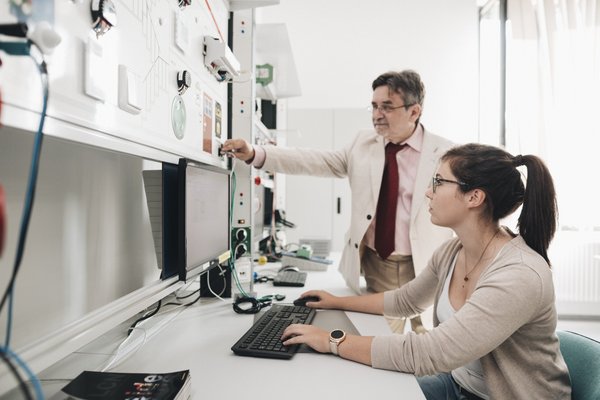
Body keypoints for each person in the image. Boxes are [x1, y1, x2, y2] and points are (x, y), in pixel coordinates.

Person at [280, 143, 571, 399]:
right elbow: (406, 301)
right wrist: (336, 301)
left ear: (474, 197)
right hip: (457, 385)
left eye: (438, 181)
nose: (428, 191)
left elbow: (431, 353)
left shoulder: (518, 274)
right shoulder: (453, 251)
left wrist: (332, 340)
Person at [222, 70, 454, 333]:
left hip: (425, 267)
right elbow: (316, 161)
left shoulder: (445, 154)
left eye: (387, 107)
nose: (377, 114)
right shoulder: (362, 144)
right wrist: (256, 153)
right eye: (374, 106)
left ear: (414, 112)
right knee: (383, 341)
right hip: (378, 265)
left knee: (427, 340)